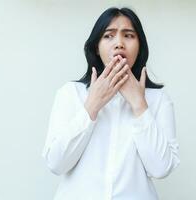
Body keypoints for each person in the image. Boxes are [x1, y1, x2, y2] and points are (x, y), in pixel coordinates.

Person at [42, 7, 180, 200]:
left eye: (129, 35)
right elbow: (56, 163)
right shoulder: (70, 93)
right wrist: (92, 105)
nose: (119, 44)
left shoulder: (158, 99)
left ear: (140, 46)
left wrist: (139, 104)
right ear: (96, 47)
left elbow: (161, 168)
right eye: (108, 36)